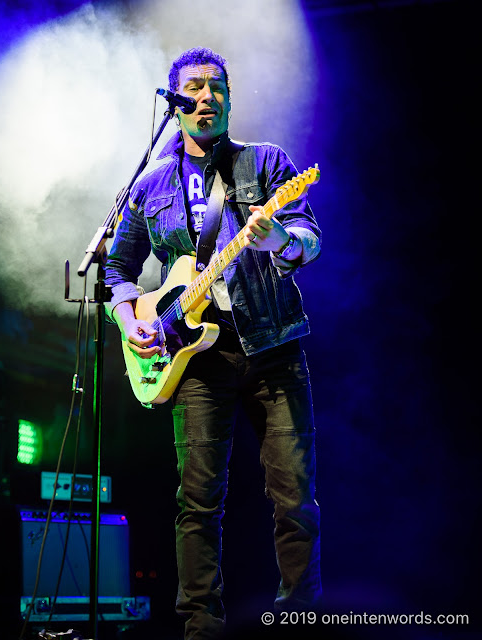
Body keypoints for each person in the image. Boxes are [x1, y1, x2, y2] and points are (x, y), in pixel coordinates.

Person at [105, 47, 322, 639]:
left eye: (217, 87)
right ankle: (201, 627)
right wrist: (132, 321)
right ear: (176, 101)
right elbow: (117, 269)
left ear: (229, 97)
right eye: (195, 88)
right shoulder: (151, 183)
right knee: (197, 502)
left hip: (273, 347)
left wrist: (277, 235)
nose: (206, 97)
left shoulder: (266, 163)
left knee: (293, 500)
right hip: (193, 357)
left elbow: (310, 240)